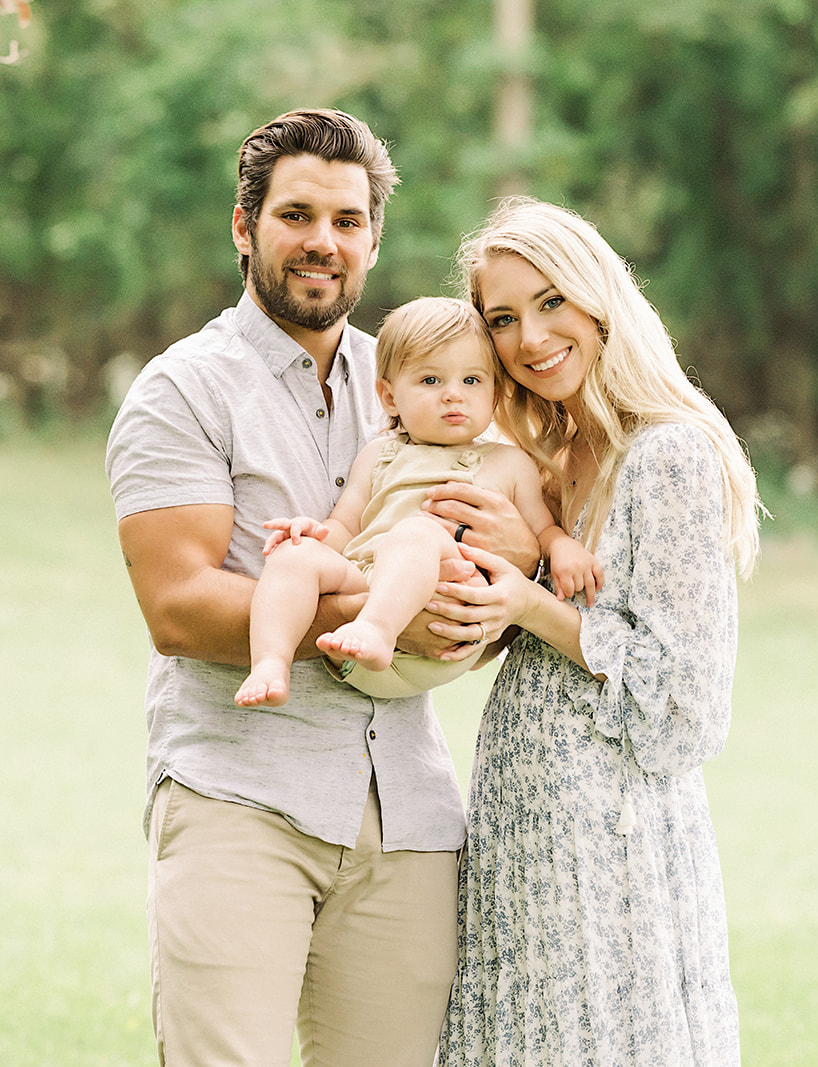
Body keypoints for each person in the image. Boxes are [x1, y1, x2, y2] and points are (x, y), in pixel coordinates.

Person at [104, 108, 540, 1066]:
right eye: (296, 214)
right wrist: (378, 609)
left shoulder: (425, 378)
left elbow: (502, 559)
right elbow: (177, 608)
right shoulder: (183, 391)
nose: (321, 241)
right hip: (240, 797)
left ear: (374, 239)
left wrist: (494, 589)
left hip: (409, 812)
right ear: (244, 226)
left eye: (347, 221)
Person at [423, 196, 763, 1065]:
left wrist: (531, 596)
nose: (529, 338)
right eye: (503, 318)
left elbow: (688, 699)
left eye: (550, 303)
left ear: (599, 298)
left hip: (613, 839)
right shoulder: (542, 459)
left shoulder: (670, 452)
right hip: (519, 821)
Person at [235, 295, 602, 708]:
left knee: (417, 533)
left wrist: (563, 547)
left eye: (471, 381)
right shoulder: (379, 454)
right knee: (293, 555)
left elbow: (541, 530)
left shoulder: (508, 462)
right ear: (390, 398)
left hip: (446, 621)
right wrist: (312, 535)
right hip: (361, 614)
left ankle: (377, 627)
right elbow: (345, 526)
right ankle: (269, 662)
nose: (453, 395)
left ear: (495, 394)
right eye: (431, 381)